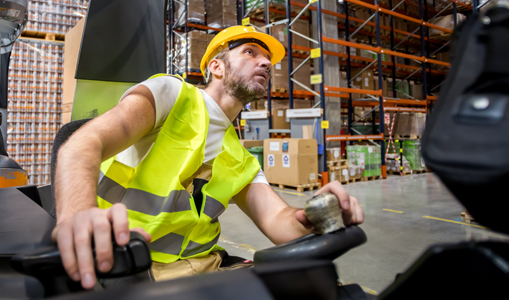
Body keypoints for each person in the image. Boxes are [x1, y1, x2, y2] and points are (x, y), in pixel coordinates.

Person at [52, 25, 365, 289]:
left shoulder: (240, 157)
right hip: (130, 266)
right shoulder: (171, 95)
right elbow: (82, 144)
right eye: (250, 53)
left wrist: (314, 217)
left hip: (207, 268)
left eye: (268, 59)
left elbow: (278, 222)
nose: (265, 63)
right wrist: (78, 215)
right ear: (217, 66)